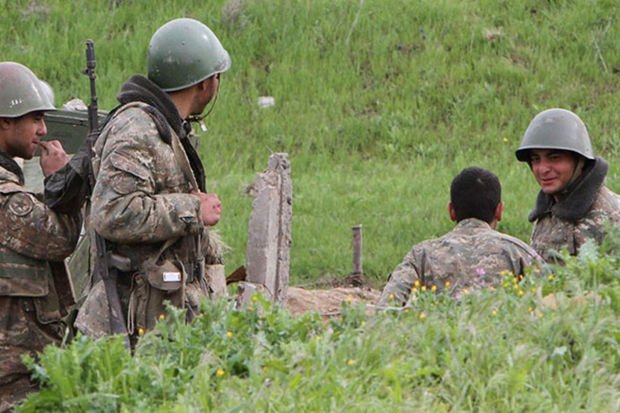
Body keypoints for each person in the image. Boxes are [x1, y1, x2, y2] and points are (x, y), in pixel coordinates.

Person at [76, 18, 231, 344]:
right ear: (204, 84)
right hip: (132, 326)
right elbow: (112, 212)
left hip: (157, 313)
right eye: (216, 77)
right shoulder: (137, 130)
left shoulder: (165, 127)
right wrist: (192, 209)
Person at [0, 62, 81, 411]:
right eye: (34, 119)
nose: (43, 130)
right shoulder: (7, 199)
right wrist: (61, 183)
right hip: (14, 380)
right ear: (5, 121)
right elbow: (59, 239)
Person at [378, 167, 541, 307]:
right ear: (499, 211)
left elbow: (388, 307)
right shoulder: (518, 252)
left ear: (451, 211)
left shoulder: (421, 254)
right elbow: (553, 302)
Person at [515, 108, 620, 262]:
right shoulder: (548, 211)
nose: (543, 169)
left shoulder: (612, 218)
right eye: (536, 159)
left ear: (580, 161)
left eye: (554, 158)